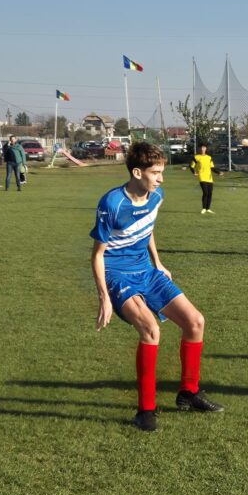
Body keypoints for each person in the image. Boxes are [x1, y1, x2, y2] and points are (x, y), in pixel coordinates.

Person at [90, 142, 224, 432]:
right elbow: (97, 254)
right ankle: (145, 410)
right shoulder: (112, 203)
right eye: (156, 172)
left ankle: (188, 393)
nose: (161, 178)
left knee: (195, 322)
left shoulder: (156, 196)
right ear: (137, 172)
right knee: (151, 331)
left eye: (162, 172)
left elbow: (147, 228)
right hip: (118, 275)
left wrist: (158, 262)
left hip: (147, 271)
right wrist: (104, 297)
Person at [190, 142, 221, 214]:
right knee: (205, 192)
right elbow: (191, 166)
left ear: (206, 149)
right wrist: (194, 172)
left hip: (209, 177)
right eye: (201, 147)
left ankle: (208, 208)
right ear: (199, 149)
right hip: (202, 176)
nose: (202, 149)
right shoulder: (196, 157)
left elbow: (212, 167)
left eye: (204, 147)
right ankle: (203, 208)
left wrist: (218, 172)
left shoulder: (209, 157)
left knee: (210, 193)